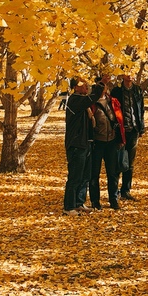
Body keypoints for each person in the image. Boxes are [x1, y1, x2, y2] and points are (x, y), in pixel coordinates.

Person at [111, 73, 145, 201]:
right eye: (127, 73)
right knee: (118, 161)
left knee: (130, 163)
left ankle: (125, 190)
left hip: (134, 129)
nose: (130, 76)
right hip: (121, 130)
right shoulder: (117, 91)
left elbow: (141, 109)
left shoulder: (137, 90)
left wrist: (141, 128)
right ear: (122, 76)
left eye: (132, 73)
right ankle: (114, 192)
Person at [88, 83, 122, 211]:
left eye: (104, 87)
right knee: (94, 174)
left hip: (111, 142)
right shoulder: (91, 103)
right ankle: (95, 201)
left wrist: (119, 138)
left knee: (112, 173)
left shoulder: (112, 102)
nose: (103, 89)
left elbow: (118, 119)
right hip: (97, 143)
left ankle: (113, 199)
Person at [64, 78, 94, 215]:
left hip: (85, 143)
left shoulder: (83, 104)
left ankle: (79, 202)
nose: (86, 87)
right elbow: (91, 99)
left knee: (85, 176)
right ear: (76, 87)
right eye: (83, 85)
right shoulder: (75, 100)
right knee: (75, 176)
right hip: (76, 144)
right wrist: (101, 85)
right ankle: (69, 207)